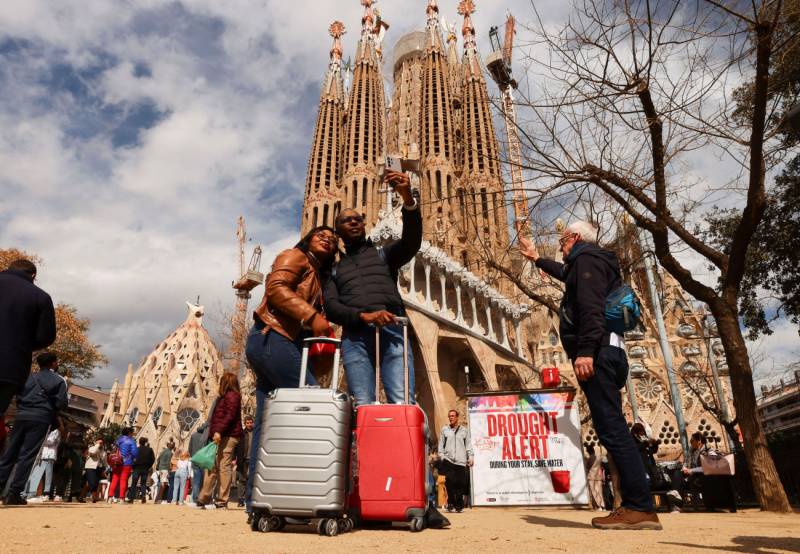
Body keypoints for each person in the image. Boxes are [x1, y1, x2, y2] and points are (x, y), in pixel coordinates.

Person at [519, 222, 661, 530]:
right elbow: (568, 277)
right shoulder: (589, 261)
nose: (560, 245)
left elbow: (590, 307)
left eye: (562, 240)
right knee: (611, 427)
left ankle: (639, 506)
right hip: (607, 351)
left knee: (612, 429)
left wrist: (585, 351)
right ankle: (636, 505)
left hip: (597, 353)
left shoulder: (587, 260)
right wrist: (537, 260)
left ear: (575, 238)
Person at [243, 225, 337, 516]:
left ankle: (258, 501)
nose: (328, 239)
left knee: (266, 425)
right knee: (310, 408)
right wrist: (312, 316)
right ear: (308, 239)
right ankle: (301, 494)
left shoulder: (317, 276)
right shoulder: (295, 256)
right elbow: (276, 290)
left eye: (333, 240)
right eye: (321, 235)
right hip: (275, 338)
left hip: (271, 341)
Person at [323, 169, 422, 406]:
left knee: (402, 401)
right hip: (355, 337)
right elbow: (332, 308)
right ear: (338, 230)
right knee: (363, 404)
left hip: (393, 327)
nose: (355, 222)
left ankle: (406, 442)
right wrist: (364, 316)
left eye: (358, 219)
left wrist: (408, 199)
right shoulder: (334, 270)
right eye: (347, 220)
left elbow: (411, 242)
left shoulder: (383, 255)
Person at [0, 352, 67, 505]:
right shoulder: (59, 380)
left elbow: (17, 395)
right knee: (27, 456)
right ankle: (14, 494)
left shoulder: (28, 377)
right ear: (53, 364)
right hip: (41, 418)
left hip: (22, 415)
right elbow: (62, 403)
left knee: (9, 452)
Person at [0, 259, 56, 418]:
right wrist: (21, 345)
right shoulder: (42, 298)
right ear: (33, 275)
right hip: (9, 368)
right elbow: (46, 337)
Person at [197, 373, 242, 509]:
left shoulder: (232, 396)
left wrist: (218, 431)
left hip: (228, 435)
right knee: (212, 465)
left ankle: (222, 500)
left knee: (223, 466)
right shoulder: (225, 397)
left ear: (226, 382)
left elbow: (229, 416)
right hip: (221, 435)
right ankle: (203, 498)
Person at [437, 409, 473, 513]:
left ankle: (459, 505)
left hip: (461, 461)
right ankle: (451, 504)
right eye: (449, 416)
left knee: (460, 483)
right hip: (448, 460)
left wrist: (470, 457)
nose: (451, 417)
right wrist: (442, 456)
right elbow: (441, 444)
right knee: (450, 483)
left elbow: (468, 445)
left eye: (453, 416)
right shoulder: (445, 430)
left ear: (457, 417)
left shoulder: (464, 430)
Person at [24, 425, 60, 502]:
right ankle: (33, 493)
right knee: (37, 474)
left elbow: (51, 441)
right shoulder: (45, 430)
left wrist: (41, 437)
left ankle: (46, 494)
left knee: (48, 475)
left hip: (49, 455)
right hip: (41, 455)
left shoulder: (55, 431)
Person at [108, 427, 137, 503]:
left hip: (116, 462)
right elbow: (134, 453)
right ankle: (121, 498)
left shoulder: (118, 440)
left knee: (114, 479)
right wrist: (133, 458)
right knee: (123, 480)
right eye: (132, 433)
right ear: (129, 433)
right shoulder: (131, 441)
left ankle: (110, 497)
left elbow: (113, 450)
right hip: (126, 462)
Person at [127, 437, 154, 503]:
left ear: (139, 442)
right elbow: (153, 459)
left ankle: (131, 498)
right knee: (143, 483)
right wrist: (149, 466)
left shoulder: (136, 449)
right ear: (145, 442)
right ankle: (143, 497)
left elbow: (131, 458)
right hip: (145, 468)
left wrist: (133, 466)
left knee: (134, 483)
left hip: (136, 468)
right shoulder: (149, 449)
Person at [236, 415, 254, 507]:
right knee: (242, 480)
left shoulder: (256, 433)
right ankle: (240, 500)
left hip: (253, 459)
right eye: (247, 423)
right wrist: (234, 459)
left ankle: (250, 499)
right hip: (242, 460)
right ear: (245, 423)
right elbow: (236, 446)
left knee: (252, 480)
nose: (249, 424)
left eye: (251, 422)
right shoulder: (241, 434)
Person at [188, 424, 208, 504]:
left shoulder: (193, 436)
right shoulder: (206, 436)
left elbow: (190, 449)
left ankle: (195, 498)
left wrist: (193, 456)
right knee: (203, 480)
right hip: (203, 460)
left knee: (196, 480)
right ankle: (201, 498)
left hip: (195, 460)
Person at [83, 438, 106, 503]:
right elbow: (93, 452)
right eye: (99, 442)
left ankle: (84, 496)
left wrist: (104, 470)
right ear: (95, 443)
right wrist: (97, 445)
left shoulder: (103, 451)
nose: (100, 444)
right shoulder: (92, 448)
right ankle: (93, 497)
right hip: (90, 467)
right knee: (92, 483)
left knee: (95, 483)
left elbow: (104, 462)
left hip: (99, 468)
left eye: (101, 443)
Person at [585, 445, 605, 511]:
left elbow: (587, 467)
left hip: (591, 476)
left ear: (588, 451)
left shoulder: (590, 458)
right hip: (599, 476)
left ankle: (598, 506)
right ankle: (602, 506)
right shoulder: (599, 457)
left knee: (594, 492)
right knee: (599, 491)